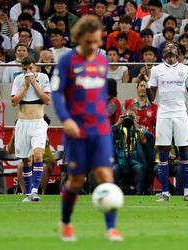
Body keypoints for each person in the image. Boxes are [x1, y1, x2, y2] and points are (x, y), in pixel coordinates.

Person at [51, 15, 123, 242]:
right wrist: (66, 119)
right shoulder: (66, 62)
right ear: (79, 38)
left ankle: (111, 229)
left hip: (99, 127)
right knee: (76, 180)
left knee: (105, 174)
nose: (93, 46)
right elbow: (56, 93)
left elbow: (100, 95)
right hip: (76, 129)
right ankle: (66, 223)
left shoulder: (102, 62)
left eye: (96, 42)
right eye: (88, 42)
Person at [146, 41, 188, 202]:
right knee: (163, 152)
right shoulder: (156, 70)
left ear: (178, 52)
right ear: (163, 53)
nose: (169, 48)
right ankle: (165, 193)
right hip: (164, 113)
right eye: (166, 47)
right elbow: (152, 98)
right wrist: (148, 82)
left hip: (180, 112)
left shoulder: (186, 70)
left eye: (172, 46)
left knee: (184, 151)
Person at [11, 56, 51, 202]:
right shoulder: (18, 80)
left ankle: (35, 191)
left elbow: (47, 100)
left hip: (38, 123)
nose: (27, 71)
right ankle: (28, 193)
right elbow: (14, 102)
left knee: (38, 155)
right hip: (23, 123)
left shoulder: (43, 77)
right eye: (24, 69)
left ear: (36, 67)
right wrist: (26, 86)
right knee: (26, 161)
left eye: (30, 68)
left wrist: (34, 84)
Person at [112, 108, 154, 195]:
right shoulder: (117, 130)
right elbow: (108, 138)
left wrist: (136, 128)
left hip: (136, 162)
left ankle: (139, 193)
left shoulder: (141, 130)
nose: (128, 119)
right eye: (126, 116)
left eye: (131, 117)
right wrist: (118, 123)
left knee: (139, 169)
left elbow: (145, 141)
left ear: (137, 119)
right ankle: (113, 194)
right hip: (120, 163)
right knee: (114, 169)